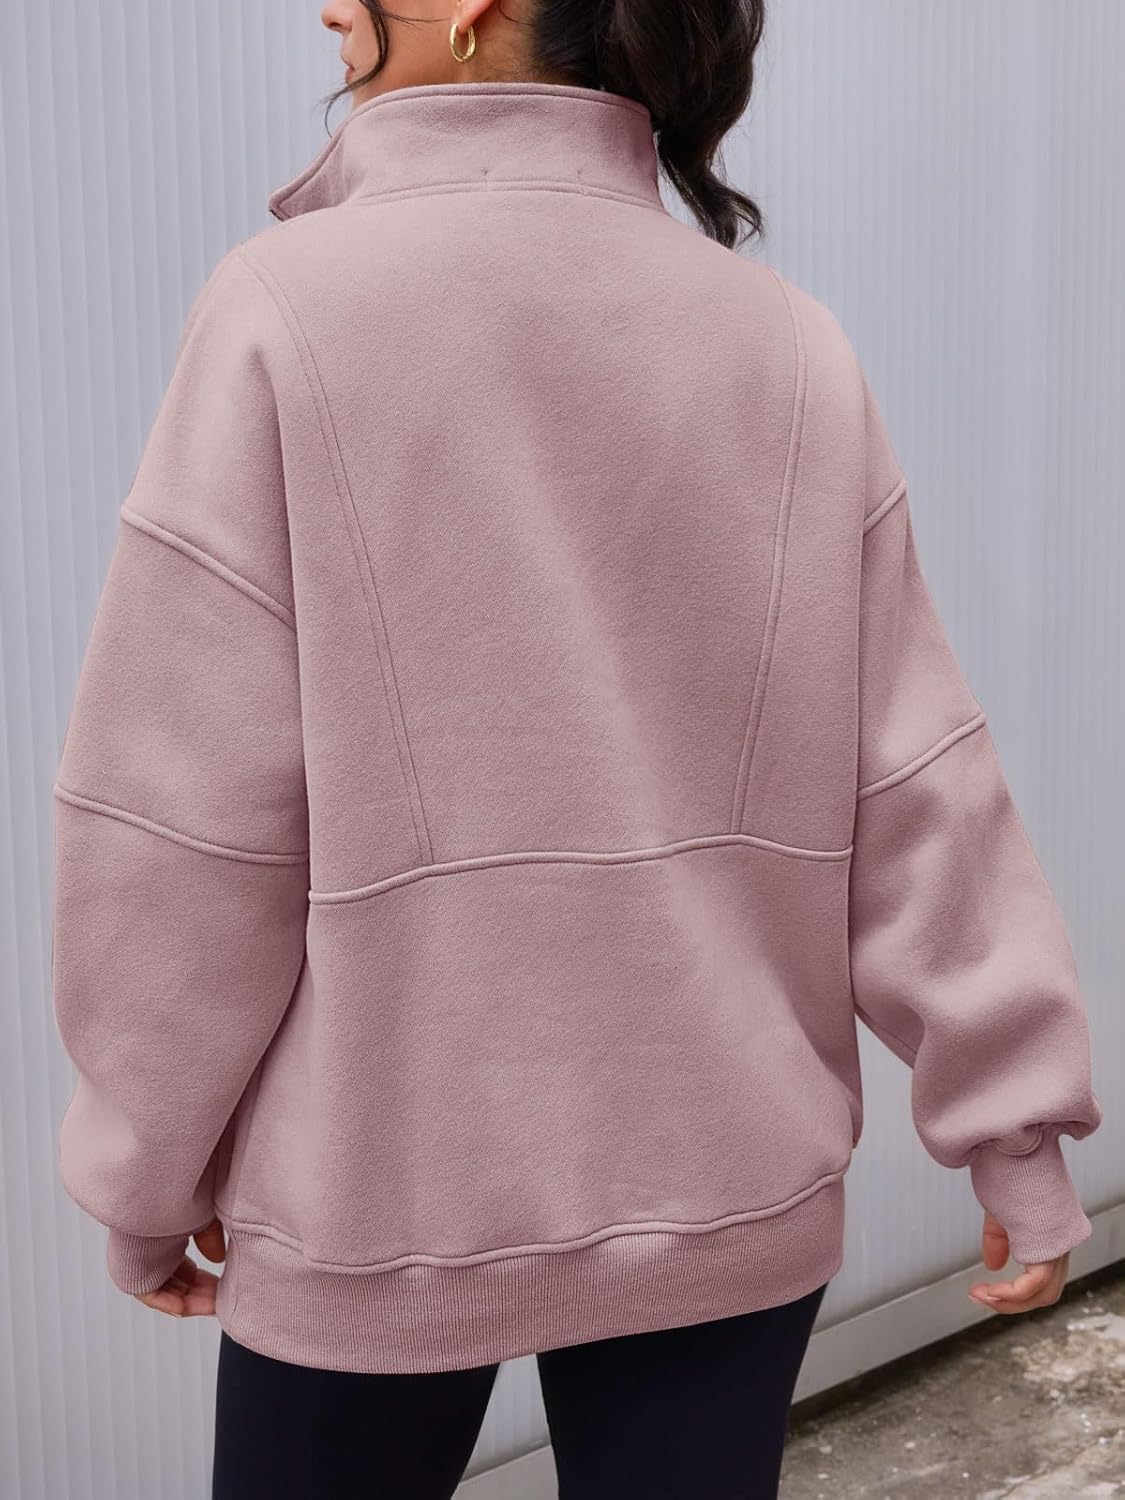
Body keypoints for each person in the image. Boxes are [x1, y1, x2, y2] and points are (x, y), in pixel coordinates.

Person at [49, 0, 1103, 1495]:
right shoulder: (785, 342)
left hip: (380, 1195)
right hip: (726, 1175)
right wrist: (1013, 1131)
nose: (330, 6)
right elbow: (917, 783)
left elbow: (182, 820)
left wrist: (147, 1167)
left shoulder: (286, 309)